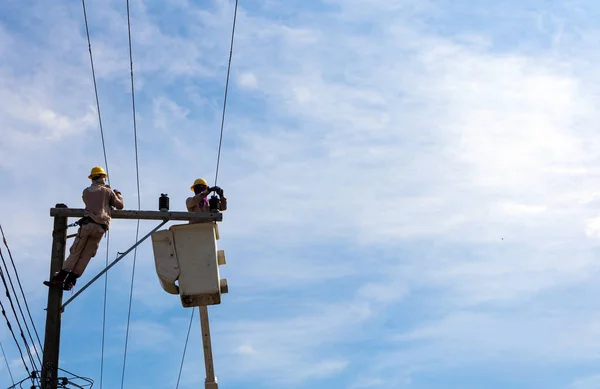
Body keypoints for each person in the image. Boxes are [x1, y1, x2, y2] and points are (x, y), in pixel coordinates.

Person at [44, 166, 124, 291]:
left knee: (76, 251)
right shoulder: (108, 192)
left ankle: (60, 277)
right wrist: (118, 194)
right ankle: (71, 280)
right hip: (100, 228)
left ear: (92, 178)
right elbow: (119, 205)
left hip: (87, 225)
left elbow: (91, 203)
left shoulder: (86, 192)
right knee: (86, 255)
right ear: (103, 177)